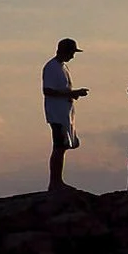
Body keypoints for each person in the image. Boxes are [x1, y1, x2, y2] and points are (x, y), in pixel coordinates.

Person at [42, 37, 89, 191]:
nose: (72, 56)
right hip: (56, 113)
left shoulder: (62, 67)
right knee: (59, 146)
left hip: (64, 113)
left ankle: (57, 181)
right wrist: (72, 93)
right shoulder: (51, 67)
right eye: (71, 52)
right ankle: (55, 182)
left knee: (62, 147)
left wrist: (72, 94)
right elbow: (47, 90)